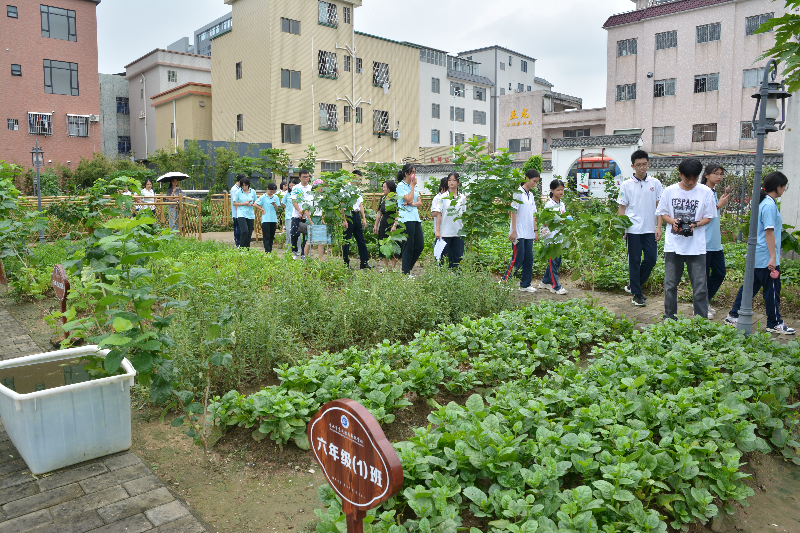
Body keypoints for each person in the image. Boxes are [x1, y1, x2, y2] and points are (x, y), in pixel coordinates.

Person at [725, 172, 795, 335]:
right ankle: (774, 322)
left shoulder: (763, 203)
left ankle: (733, 315)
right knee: (772, 290)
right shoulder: (769, 205)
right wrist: (773, 258)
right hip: (766, 256)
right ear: (778, 187)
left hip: (758, 255)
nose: (784, 189)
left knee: (749, 288)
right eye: (784, 186)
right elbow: (769, 232)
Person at [655, 158, 716, 320]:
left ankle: (701, 320)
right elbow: (663, 213)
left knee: (700, 286)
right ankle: (670, 317)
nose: (690, 182)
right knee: (670, 285)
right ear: (680, 174)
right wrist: (673, 221)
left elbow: (709, 217)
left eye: (694, 178)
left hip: (696, 247)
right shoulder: (669, 191)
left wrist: (696, 223)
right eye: (687, 178)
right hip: (673, 245)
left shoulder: (706, 192)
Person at [618, 150, 663, 307]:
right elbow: (622, 207)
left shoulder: (655, 183)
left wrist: (659, 227)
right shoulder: (626, 184)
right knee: (634, 261)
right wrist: (622, 228)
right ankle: (636, 293)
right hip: (633, 229)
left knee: (651, 259)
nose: (642, 168)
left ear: (648, 164)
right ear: (633, 166)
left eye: (644, 164)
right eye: (638, 165)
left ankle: (633, 284)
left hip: (650, 228)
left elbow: (660, 207)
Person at [701, 164, 731, 314]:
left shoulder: (712, 191)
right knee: (704, 276)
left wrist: (721, 201)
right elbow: (704, 214)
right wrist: (720, 204)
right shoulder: (702, 192)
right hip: (705, 241)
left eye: (720, 174)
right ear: (706, 175)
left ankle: (703, 301)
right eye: (715, 174)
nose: (718, 177)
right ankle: (701, 306)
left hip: (715, 242)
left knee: (720, 272)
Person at [509, 169, 540, 292]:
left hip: (528, 232)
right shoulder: (518, 193)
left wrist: (535, 231)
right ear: (527, 178)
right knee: (518, 257)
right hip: (518, 232)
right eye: (533, 181)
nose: (535, 184)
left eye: (537, 182)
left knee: (529, 258)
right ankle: (506, 280)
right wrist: (514, 230)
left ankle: (525, 284)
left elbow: (533, 214)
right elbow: (513, 211)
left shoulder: (531, 195)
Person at [394, 164, 424, 276]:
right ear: (406, 173)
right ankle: (406, 273)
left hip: (415, 218)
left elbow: (419, 202)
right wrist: (412, 186)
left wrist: (412, 203)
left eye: (415, 172)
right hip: (405, 219)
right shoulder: (400, 186)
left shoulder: (415, 186)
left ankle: (406, 269)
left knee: (420, 245)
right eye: (412, 172)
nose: (414, 174)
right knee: (408, 245)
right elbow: (409, 198)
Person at [539, 179, 568, 295]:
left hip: (559, 236)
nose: (561, 192)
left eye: (562, 190)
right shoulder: (549, 205)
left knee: (557, 260)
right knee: (553, 262)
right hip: (551, 237)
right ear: (552, 190)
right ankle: (555, 286)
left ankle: (545, 282)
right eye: (558, 190)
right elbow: (545, 222)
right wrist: (556, 221)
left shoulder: (562, 204)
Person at [431, 172, 466, 268]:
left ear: (458, 182)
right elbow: (439, 213)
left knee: (457, 258)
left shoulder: (462, 197)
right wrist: (437, 231)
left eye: (454, 180)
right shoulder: (442, 197)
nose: (451, 182)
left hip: (458, 232)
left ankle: (455, 278)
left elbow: (464, 213)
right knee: (440, 257)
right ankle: (440, 277)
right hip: (445, 232)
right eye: (449, 180)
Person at [342, 170, 371, 269]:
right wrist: (344, 219)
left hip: (357, 216)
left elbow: (360, 205)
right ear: (352, 177)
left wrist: (364, 218)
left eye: (360, 179)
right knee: (346, 241)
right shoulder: (345, 188)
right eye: (357, 179)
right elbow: (342, 205)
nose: (359, 182)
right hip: (348, 216)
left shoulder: (358, 190)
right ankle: (346, 264)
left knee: (361, 240)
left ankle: (364, 262)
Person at [373, 180, 400, 271]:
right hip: (384, 223)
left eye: (385, 187)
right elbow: (379, 213)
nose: (383, 189)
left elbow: (398, 213)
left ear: (390, 188)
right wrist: (376, 225)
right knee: (383, 243)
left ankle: (393, 267)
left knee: (393, 243)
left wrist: (394, 225)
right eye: (383, 187)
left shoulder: (396, 198)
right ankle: (386, 267)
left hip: (393, 223)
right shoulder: (382, 198)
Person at [290, 170, 313, 259]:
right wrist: (299, 211)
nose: (306, 178)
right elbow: (294, 200)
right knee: (294, 234)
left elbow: (311, 201)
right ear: (299, 177)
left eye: (307, 176)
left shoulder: (311, 188)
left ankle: (304, 253)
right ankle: (295, 251)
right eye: (304, 177)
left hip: (307, 215)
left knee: (306, 236)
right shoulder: (296, 188)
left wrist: (304, 211)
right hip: (296, 215)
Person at [255, 183, 280, 253]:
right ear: (267, 189)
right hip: (266, 219)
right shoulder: (263, 197)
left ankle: (270, 250)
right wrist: (262, 209)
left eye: (273, 191)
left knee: (272, 236)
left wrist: (275, 205)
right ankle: (267, 251)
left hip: (273, 219)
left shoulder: (276, 197)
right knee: (266, 236)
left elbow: (277, 209)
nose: (272, 193)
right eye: (271, 191)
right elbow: (255, 204)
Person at [233, 177, 257, 248]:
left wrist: (252, 204)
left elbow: (255, 201)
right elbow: (234, 203)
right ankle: (242, 248)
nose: (244, 187)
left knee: (249, 233)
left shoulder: (253, 191)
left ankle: (247, 249)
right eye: (242, 186)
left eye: (245, 185)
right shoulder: (238, 192)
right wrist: (244, 203)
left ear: (248, 185)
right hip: (241, 214)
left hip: (250, 214)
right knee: (244, 231)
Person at [306, 179, 326, 260]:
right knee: (309, 240)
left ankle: (321, 259)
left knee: (320, 241)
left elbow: (322, 210)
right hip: (312, 218)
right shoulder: (310, 197)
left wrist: (323, 219)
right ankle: (306, 258)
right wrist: (310, 221)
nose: (322, 188)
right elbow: (306, 210)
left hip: (319, 218)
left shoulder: (322, 198)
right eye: (321, 186)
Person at [283, 178, 298, 248]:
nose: (291, 187)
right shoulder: (287, 194)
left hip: (297, 216)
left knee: (298, 234)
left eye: (293, 186)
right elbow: (282, 203)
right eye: (290, 186)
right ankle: (288, 250)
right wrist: (287, 208)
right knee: (289, 233)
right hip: (288, 216)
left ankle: (297, 250)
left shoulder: (299, 194)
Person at [231, 175, 243, 247]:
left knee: (239, 228)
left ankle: (239, 242)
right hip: (237, 212)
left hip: (240, 211)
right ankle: (237, 242)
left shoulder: (239, 188)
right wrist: (238, 211)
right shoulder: (234, 189)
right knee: (237, 228)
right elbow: (234, 201)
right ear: (240, 180)